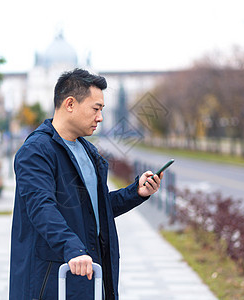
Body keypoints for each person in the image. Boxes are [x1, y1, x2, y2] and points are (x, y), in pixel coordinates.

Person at [9, 68, 163, 300]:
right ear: (70, 104)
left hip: (89, 273)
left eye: (101, 110)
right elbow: (41, 207)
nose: (100, 117)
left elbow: (94, 207)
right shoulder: (36, 151)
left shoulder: (88, 151)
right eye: (96, 109)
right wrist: (73, 247)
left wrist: (136, 192)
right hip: (52, 279)